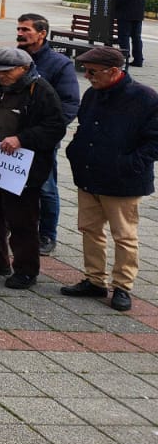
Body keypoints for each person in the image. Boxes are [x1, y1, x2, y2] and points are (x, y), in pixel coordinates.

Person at [0, 46, 66, 289]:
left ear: (24, 69)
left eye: (7, 72)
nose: (1, 75)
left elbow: (54, 127)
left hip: (21, 169)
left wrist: (22, 139)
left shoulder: (41, 91)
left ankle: (26, 270)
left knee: (22, 221)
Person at [61, 45, 158, 312]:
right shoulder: (94, 94)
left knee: (124, 235)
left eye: (92, 71)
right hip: (89, 174)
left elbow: (155, 141)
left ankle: (123, 286)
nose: (87, 76)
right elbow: (84, 125)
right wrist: (76, 151)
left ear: (114, 71)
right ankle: (95, 280)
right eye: (85, 70)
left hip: (123, 181)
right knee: (89, 229)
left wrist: (129, 164)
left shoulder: (145, 98)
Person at [13, 14, 80, 255]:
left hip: (41, 139)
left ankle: (47, 234)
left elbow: (70, 104)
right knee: (13, 185)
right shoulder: (14, 58)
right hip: (11, 138)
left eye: (26, 29)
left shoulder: (59, 64)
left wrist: (49, 132)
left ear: (42, 33)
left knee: (45, 187)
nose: (20, 33)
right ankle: (18, 227)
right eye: (19, 29)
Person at [115, 0, 146, 67]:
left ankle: (125, 58)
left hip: (125, 15)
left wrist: (115, 6)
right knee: (136, 38)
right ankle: (138, 60)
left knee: (124, 37)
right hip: (138, 15)